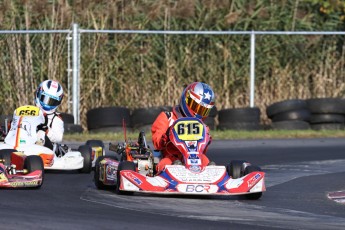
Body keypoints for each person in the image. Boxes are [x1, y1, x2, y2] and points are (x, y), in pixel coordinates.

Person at [151, 82, 216, 174]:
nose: (198, 113)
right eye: (195, 107)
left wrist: (207, 140)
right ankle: (172, 175)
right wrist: (166, 136)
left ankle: (211, 176)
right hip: (170, 156)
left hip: (194, 159)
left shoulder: (202, 127)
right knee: (166, 163)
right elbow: (157, 141)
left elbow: (202, 151)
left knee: (206, 161)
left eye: (202, 110)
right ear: (186, 99)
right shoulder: (167, 117)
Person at [34, 79, 65, 149]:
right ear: (38, 94)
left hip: (46, 150)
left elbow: (58, 138)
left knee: (41, 133)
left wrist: (46, 130)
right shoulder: (28, 111)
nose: (47, 104)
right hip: (24, 144)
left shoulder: (56, 119)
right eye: (45, 98)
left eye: (52, 101)